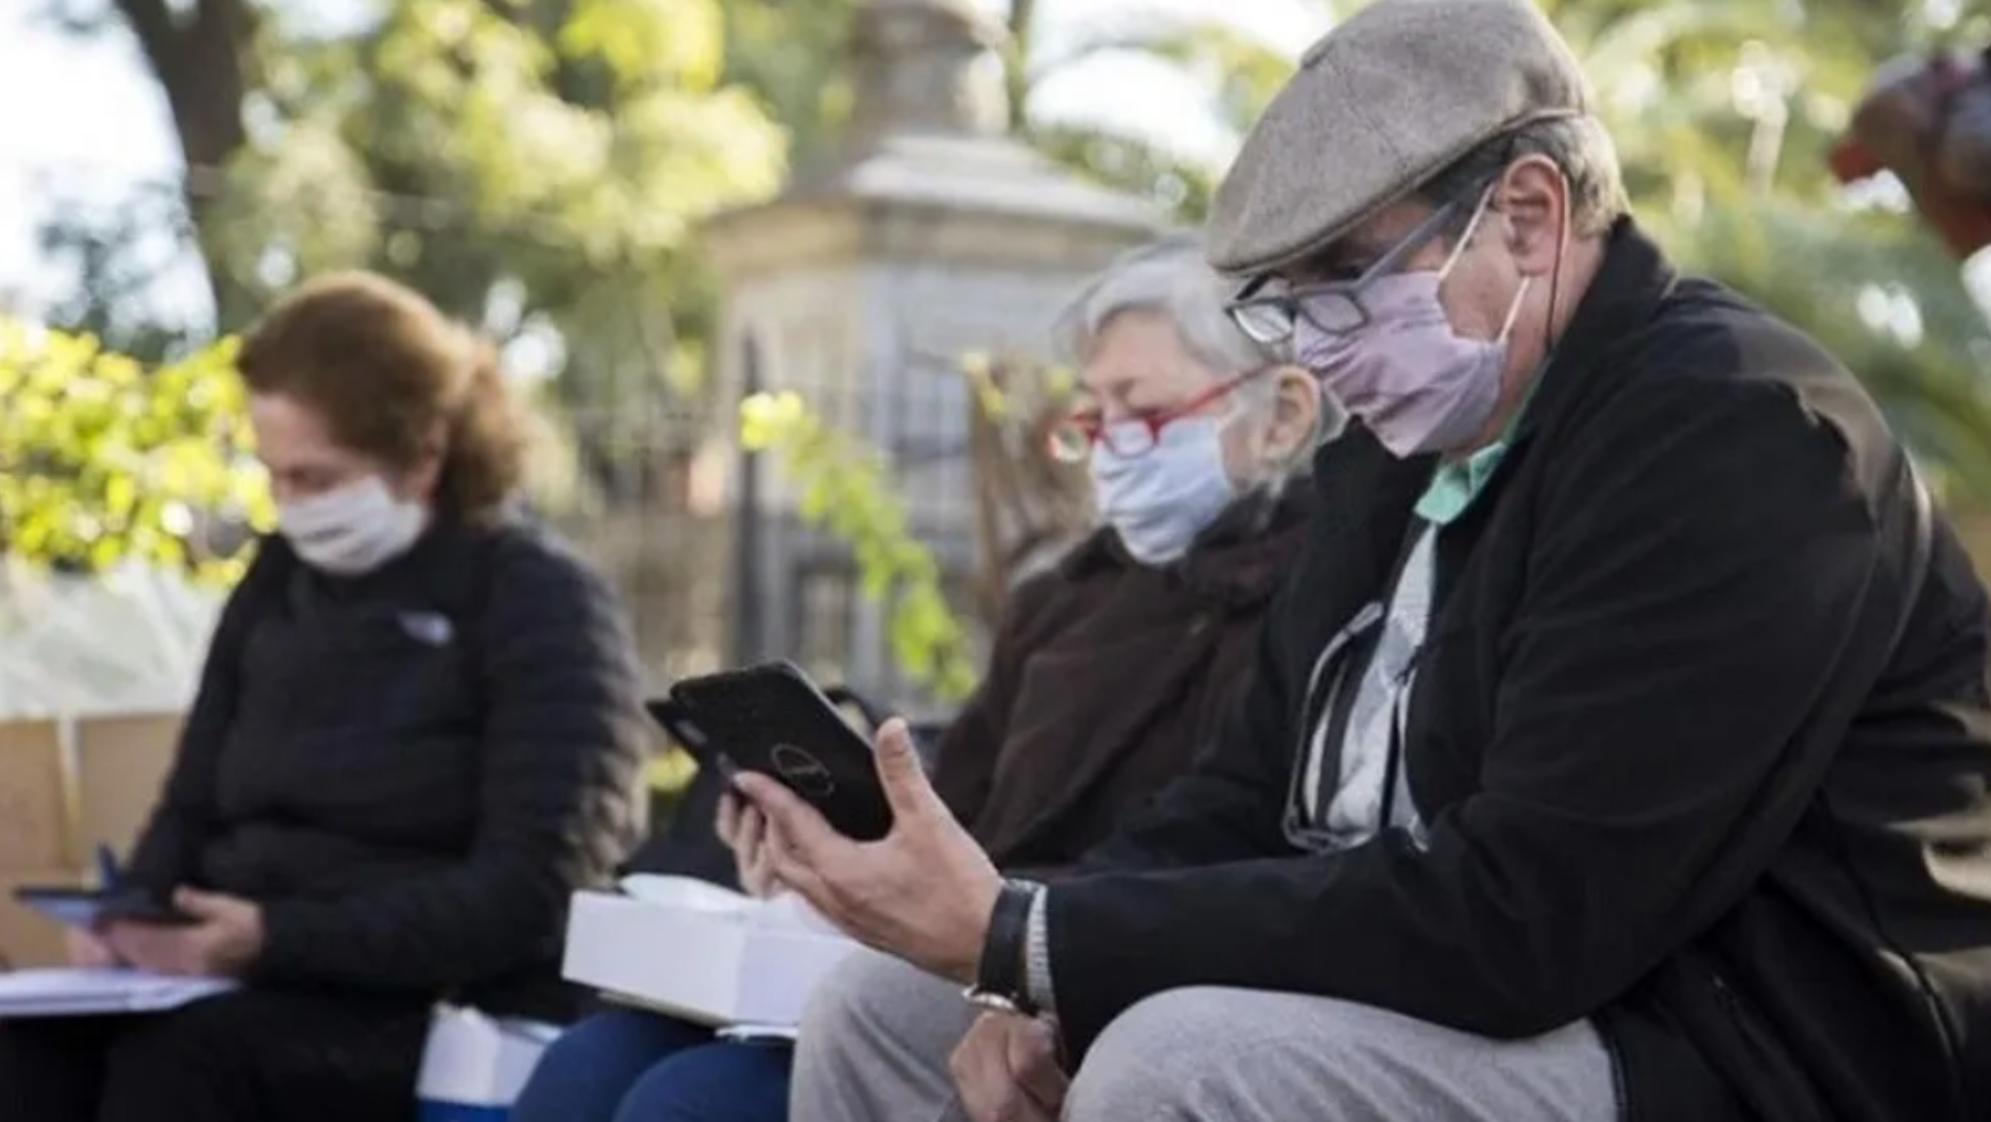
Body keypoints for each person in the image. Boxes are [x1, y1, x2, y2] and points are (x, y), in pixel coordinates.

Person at [735, 3, 1991, 1121]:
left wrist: (1032, 937)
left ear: (1530, 217)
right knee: (882, 1015)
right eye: (1286, 299)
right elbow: (1236, 800)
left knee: (1181, 1063)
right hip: (1489, 993)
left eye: (1346, 275)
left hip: (1735, 1041)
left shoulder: (1731, 430)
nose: (1318, 346)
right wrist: (1016, 963)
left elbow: (1528, 911)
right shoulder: (1396, 454)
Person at [510, 239, 1331, 1122]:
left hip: (1089, 963)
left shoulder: (1318, 597)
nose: (1110, 453)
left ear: (1280, 416)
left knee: (691, 1103)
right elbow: (960, 805)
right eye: (1091, 421)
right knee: (589, 1063)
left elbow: (1218, 858)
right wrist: (829, 853)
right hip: (937, 952)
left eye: (1143, 414)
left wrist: (980, 916)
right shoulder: (1068, 594)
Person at [0, 272, 648, 1121]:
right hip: (238, 973)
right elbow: (194, 799)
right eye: (275, 477)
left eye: (317, 478)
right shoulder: (277, 582)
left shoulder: (539, 601)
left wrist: (275, 942)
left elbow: (535, 887)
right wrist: (130, 917)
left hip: (430, 1007)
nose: (290, 508)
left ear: (424, 455)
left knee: (183, 1067)